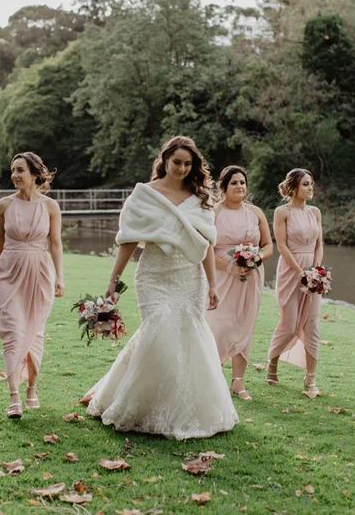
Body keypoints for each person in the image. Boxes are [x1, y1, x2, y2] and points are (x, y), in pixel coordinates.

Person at [79, 136, 239, 439]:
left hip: (189, 276)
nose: (182, 168)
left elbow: (206, 245)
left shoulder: (199, 198)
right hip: (154, 275)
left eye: (187, 164)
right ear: (165, 160)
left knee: (190, 339)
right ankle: (139, 405)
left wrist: (213, 285)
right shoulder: (144, 196)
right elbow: (128, 240)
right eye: (176, 162)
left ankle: (184, 409)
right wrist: (114, 278)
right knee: (159, 334)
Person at [0, 152, 65, 418]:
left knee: (34, 333)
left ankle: (32, 388)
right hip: (8, 273)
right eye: (12, 170)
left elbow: (55, 244)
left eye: (20, 170)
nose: (14, 175)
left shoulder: (50, 207)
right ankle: (13, 396)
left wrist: (60, 277)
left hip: (39, 273)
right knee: (12, 332)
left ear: (34, 174)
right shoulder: (4, 205)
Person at [207, 166, 273, 401]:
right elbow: (206, 249)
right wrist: (230, 267)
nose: (239, 187)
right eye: (234, 183)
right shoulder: (213, 212)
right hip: (221, 276)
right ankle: (212, 378)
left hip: (251, 277)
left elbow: (268, 245)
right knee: (219, 326)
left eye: (242, 182)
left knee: (244, 326)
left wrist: (256, 258)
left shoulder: (255, 213)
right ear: (223, 187)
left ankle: (238, 381)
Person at [266, 168, 324, 398]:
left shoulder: (315, 212)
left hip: (313, 273)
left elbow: (319, 244)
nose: (310, 188)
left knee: (312, 325)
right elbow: (281, 246)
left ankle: (310, 378)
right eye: (306, 184)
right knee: (289, 326)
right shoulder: (282, 212)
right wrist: (302, 273)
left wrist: (316, 271)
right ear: (294, 187)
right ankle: (272, 362)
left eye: (311, 184)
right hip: (291, 272)